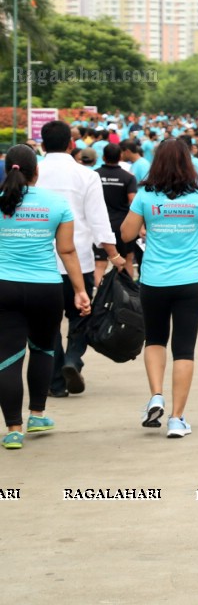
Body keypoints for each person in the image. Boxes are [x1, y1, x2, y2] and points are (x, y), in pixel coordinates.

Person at [122, 138, 198, 439]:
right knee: (184, 349)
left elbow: (126, 233)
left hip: (154, 281)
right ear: (188, 162)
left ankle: (156, 396)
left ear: (156, 161)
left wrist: (147, 221)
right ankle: (176, 419)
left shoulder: (146, 194)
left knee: (155, 339)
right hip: (190, 282)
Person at [0, 146, 90, 449]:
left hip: (5, 287)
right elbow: (67, 251)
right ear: (35, 172)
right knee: (42, 350)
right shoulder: (56, 204)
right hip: (46, 288)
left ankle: (13, 429)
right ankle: (37, 414)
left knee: (8, 357)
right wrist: (80, 290)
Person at [37, 120, 123, 398]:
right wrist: (114, 255)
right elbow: (100, 222)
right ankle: (73, 359)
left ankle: (56, 381)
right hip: (80, 262)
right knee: (81, 317)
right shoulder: (86, 175)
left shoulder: (33, 172)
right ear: (71, 144)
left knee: (46, 325)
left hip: (39, 264)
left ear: (41, 144)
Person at [94, 143, 138, 284]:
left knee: (100, 264)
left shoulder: (94, 175)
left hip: (100, 224)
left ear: (103, 157)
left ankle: (99, 298)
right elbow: (133, 201)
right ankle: (128, 297)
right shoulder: (128, 177)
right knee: (127, 260)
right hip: (122, 225)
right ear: (120, 157)